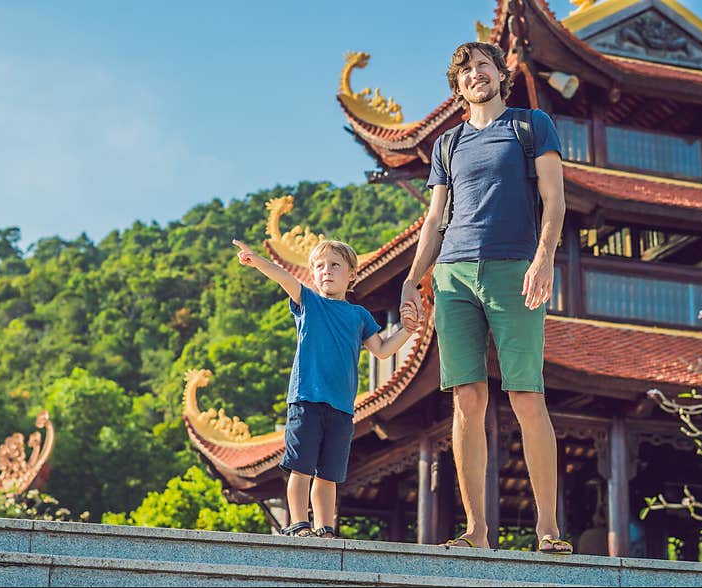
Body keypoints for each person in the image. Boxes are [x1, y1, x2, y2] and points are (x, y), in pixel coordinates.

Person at [399, 42, 572, 554]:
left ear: (501, 74)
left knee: (526, 396)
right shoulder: (447, 144)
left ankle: (547, 528)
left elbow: (555, 200)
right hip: (453, 274)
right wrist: (414, 277)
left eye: (483, 66)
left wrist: (543, 259)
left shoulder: (530, 124)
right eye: (466, 71)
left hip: (513, 268)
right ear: (457, 87)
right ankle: (476, 531)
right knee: (466, 399)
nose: (475, 75)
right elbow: (434, 221)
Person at [234, 237, 418, 538]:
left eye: (335, 265)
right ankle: (297, 523)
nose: (326, 271)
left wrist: (407, 331)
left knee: (328, 475)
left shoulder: (360, 316)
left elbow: (383, 350)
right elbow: (284, 278)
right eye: (319, 266)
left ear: (352, 274)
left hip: (342, 408)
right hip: (306, 399)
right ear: (313, 273)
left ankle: (325, 527)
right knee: (301, 467)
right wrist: (257, 261)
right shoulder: (308, 302)